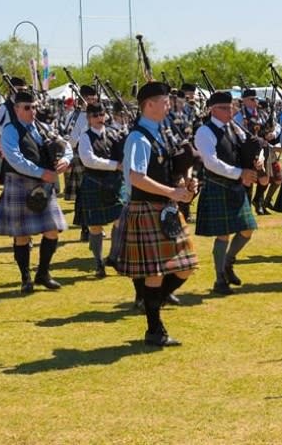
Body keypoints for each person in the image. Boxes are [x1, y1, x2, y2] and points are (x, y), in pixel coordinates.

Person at [111, 82, 197, 346]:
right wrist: (171, 193)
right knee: (156, 273)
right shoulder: (138, 137)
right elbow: (137, 177)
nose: (169, 104)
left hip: (166, 208)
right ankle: (154, 329)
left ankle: (152, 306)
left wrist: (185, 182)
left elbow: (174, 165)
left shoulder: (162, 132)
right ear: (149, 105)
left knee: (185, 267)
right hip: (146, 208)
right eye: (164, 101)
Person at [0, 91, 72, 294]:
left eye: (34, 107)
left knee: (53, 230)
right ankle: (25, 277)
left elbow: (66, 144)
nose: (32, 111)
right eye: (27, 107)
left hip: (43, 185)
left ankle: (43, 273)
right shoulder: (10, 130)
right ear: (17, 109)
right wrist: (41, 172)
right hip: (20, 183)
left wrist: (66, 159)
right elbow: (15, 159)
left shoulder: (43, 128)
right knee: (22, 235)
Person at [194, 91, 258, 295]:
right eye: (225, 108)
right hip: (218, 185)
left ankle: (228, 262)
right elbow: (212, 163)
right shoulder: (204, 132)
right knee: (223, 234)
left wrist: (257, 158)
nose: (230, 111)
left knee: (247, 229)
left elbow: (249, 144)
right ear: (213, 109)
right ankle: (219, 277)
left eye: (231, 107)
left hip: (236, 185)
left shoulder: (234, 127)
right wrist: (240, 173)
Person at [75, 103, 127, 278]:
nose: (99, 118)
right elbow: (89, 160)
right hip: (94, 183)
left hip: (114, 185)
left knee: (120, 221)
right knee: (95, 227)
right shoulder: (85, 137)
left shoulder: (114, 135)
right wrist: (115, 165)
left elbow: (123, 154)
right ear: (89, 118)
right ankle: (98, 263)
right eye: (95, 115)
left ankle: (113, 256)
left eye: (102, 114)